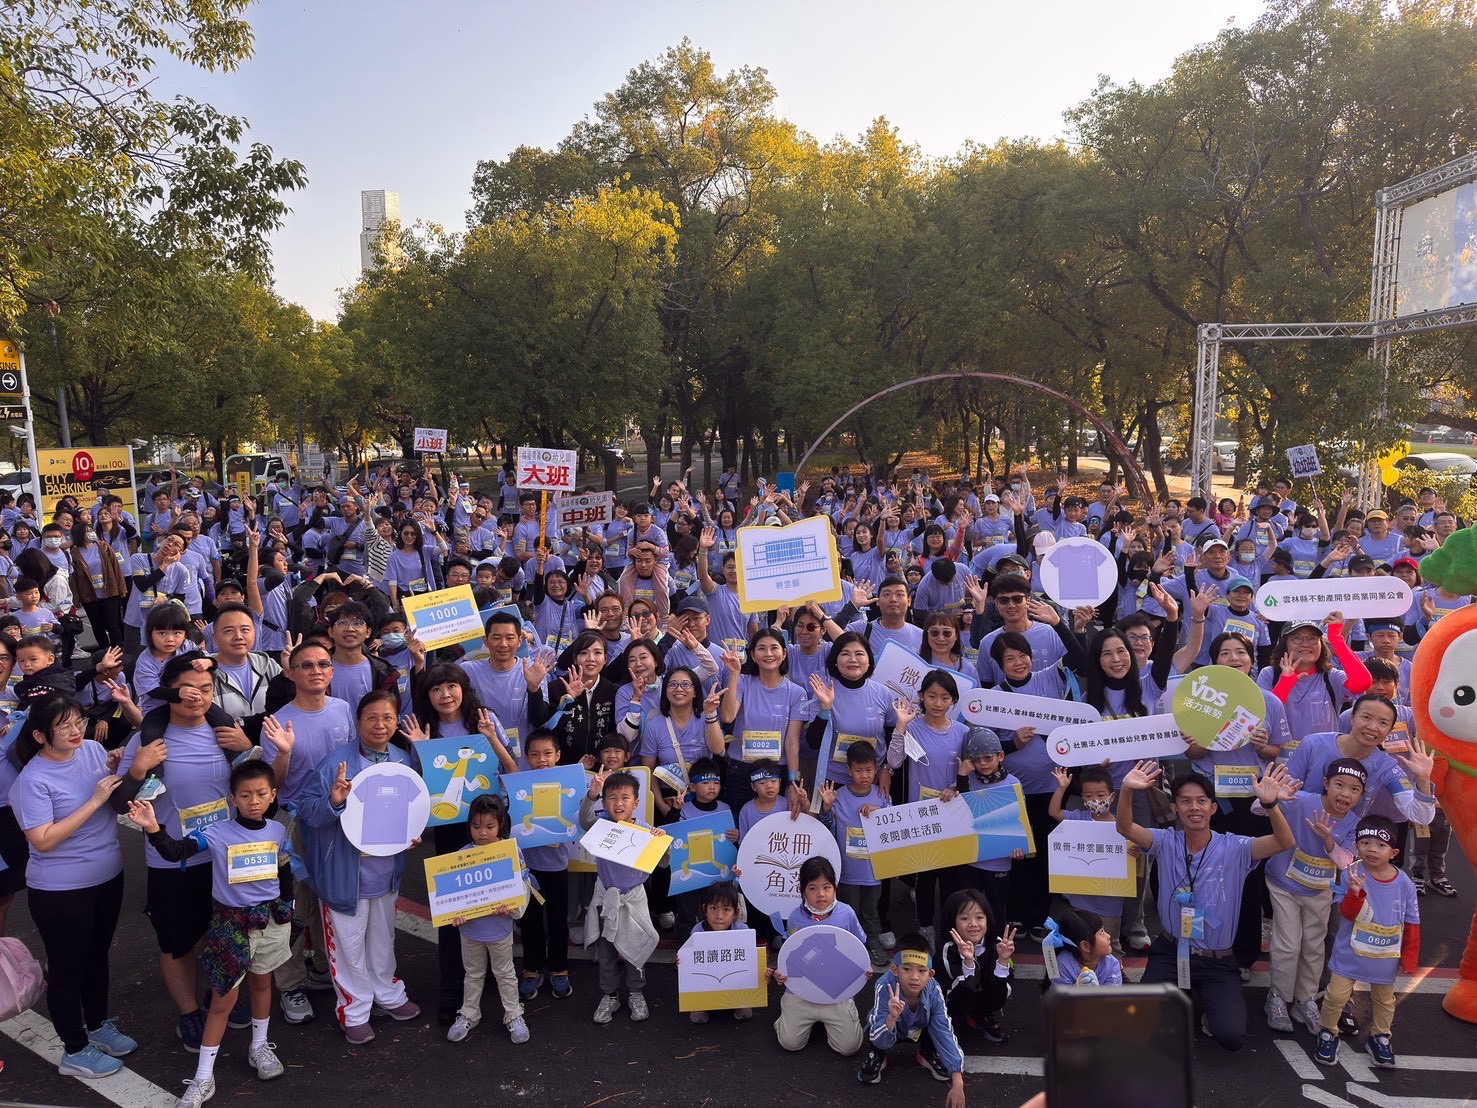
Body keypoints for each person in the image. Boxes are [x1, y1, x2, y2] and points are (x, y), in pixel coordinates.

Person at [127, 760, 292, 1106]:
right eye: (245, 795)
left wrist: (288, 907)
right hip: (231, 925)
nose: (253, 801)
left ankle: (259, 1047)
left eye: (261, 793)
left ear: (273, 794)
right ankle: (203, 1077)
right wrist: (154, 829)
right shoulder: (218, 833)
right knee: (223, 1000)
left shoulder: (277, 832)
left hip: (271, 923)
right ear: (232, 799)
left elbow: (283, 872)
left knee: (263, 983)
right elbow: (177, 852)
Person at [1116, 760, 1297, 1051]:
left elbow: (1284, 841)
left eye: (1202, 801)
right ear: (1175, 809)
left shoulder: (1236, 847)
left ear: (1213, 808)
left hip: (1218, 961)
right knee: (1143, 1027)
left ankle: (1199, 1002)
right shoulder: (1165, 841)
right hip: (1170, 952)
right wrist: (1126, 789)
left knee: (1231, 1037)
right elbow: (1125, 826)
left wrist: (1271, 804)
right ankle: (1181, 998)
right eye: (1185, 802)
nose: (1194, 808)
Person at [9, 695, 134, 1078]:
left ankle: (96, 1025)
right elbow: (43, 839)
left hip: (108, 875)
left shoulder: (94, 750)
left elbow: (114, 789)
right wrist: (95, 799)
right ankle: (74, 1050)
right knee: (67, 968)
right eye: (63, 726)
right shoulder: (33, 780)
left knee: (97, 956)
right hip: (61, 891)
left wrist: (115, 767)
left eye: (78, 720)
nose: (75, 730)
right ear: (40, 735)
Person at [296, 689, 422, 1043]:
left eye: (387, 718)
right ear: (357, 722)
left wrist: (412, 833)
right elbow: (305, 809)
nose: (380, 725)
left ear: (396, 722)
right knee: (348, 944)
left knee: (383, 939)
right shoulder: (337, 762)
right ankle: (353, 1009)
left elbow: (414, 810)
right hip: (343, 872)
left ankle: (388, 995)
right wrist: (333, 801)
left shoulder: (403, 761)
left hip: (386, 871)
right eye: (371, 718)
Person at [1263, 758, 1366, 1033]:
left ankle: (1305, 1000)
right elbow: (1259, 807)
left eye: (1354, 789)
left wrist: (1328, 840)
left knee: (1313, 945)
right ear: (1325, 784)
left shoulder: (1354, 823)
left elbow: (1346, 860)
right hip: (1283, 883)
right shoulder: (1301, 799)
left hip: (1320, 890)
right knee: (1287, 944)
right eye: (1339, 785)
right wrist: (1271, 798)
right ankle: (1278, 998)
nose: (1345, 794)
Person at [1314, 816, 1420, 1069]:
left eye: (1380, 845)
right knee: (1336, 996)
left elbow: (1412, 920)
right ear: (1356, 845)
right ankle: (1327, 1032)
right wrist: (1354, 892)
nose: (1371, 849)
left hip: (1384, 956)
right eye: (1365, 842)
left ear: (1394, 852)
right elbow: (1348, 914)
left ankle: (1380, 1037)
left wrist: (1410, 956)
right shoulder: (1351, 872)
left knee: (1384, 1000)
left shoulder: (1404, 882)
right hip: (1350, 951)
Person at [579, 768, 665, 1023]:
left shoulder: (646, 830)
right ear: (604, 803)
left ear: (636, 803)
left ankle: (636, 993)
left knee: (635, 949)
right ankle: (610, 995)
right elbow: (584, 821)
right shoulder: (601, 826)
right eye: (612, 798)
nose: (619, 803)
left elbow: (663, 862)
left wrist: (659, 840)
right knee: (605, 951)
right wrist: (592, 793)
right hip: (607, 898)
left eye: (625, 797)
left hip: (634, 900)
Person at [446, 794, 531, 1045]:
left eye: (490, 826)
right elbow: (453, 895)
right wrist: (455, 914)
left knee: (505, 973)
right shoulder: (462, 856)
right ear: (469, 825)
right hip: (471, 930)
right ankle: (469, 1013)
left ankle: (513, 1014)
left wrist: (512, 907)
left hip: (499, 929)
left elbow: (523, 887)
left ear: (501, 824)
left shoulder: (511, 851)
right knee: (473, 973)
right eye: (476, 826)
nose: (482, 833)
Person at [857, 934, 968, 1107]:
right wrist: (891, 1018)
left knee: (936, 1023)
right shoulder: (884, 985)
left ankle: (926, 1052)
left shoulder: (933, 989)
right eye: (907, 969)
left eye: (922, 970)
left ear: (930, 974)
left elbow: (943, 1028)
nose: (914, 977)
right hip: (892, 1027)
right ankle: (877, 1055)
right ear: (895, 970)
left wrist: (957, 1080)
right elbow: (879, 1023)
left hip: (920, 1027)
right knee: (875, 1023)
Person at [773, 856, 868, 1055]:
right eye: (813, 888)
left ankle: (836, 1020)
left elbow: (858, 946)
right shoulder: (795, 918)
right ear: (802, 890)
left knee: (850, 1048)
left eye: (826, 887)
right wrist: (781, 974)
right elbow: (790, 956)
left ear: (835, 887)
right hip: (801, 993)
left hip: (837, 992)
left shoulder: (846, 913)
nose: (821, 894)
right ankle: (787, 1016)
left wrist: (862, 970)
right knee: (790, 1043)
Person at [515, 730, 573, 1002]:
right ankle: (532, 968)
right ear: (526, 757)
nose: (542, 760)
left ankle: (559, 968)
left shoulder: (567, 782)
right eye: (535, 754)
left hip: (558, 866)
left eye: (548, 754)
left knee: (559, 919)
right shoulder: (519, 785)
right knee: (531, 921)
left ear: (558, 755)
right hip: (528, 868)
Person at [821, 740, 891, 966]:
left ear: (876, 769)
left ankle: (873, 941)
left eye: (869, 770)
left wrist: (879, 810)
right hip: (848, 869)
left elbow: (895, 821)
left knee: (871, 909)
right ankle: (850, 944)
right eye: (859, 770)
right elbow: (827, 826)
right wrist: (826, 807)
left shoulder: (881, 794)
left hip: (874, 869)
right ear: (849, 770)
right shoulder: (839, 795)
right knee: (848, 909)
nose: (864, 775)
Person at [935, 888, 1014, 1045]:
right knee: (964, 994)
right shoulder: (947, 949)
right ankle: (941, 1022)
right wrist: (968, 962)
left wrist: (1003, 961)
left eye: (979, 917)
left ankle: (980, 1015)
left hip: (978, 995)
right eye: (964, 918)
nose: (973, 924)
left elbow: (1003, 985)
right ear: (952, 921)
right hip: (953, 999)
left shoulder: (998, 944)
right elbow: (955, 989)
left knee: (1002, 987)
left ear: (988, 919)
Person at [683, 882, 751, 1025]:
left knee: (745, 1013)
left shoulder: (743, 931)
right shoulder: (697, 931)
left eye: (726, 910)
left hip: (734, 983)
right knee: (698, 1017)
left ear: (735, 913)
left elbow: (750, 962)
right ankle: (704, 1004)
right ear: (704, 909)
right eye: (713, 908)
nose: (719, 916)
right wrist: (682, 962)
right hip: (706, 982)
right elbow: (690, 962)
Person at [1041, 909, 1122, 987]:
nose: (1108, 936)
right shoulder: (1062, 965)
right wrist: (1077, 989)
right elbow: (1060, 997)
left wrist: (1096, 992)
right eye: (1101, 932)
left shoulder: (1112, 964)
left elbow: (1113, 998)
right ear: (1085, 946)